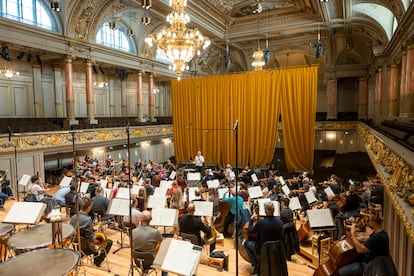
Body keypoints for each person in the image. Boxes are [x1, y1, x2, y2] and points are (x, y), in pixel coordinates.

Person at [70, 197, 113, 267]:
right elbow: (91, 240)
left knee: (96, 236)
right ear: (89, 207)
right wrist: (101, 240)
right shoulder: (87, 220)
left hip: (76, 246)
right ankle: (97, 261)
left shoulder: (73, 217)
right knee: (108, 242)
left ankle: (81, 256)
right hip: (86, 248)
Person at [248, 201, 284, 274]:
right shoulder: (280, 222)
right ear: (274, 210)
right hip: (276, 248)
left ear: (265, 211)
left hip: (263, 249)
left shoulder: (262, 223)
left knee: (247, 244)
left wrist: (251, 220)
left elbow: (250, 230)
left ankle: (257, 266)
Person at [132, 210, 168, 276]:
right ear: (151, 219)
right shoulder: (155, 232)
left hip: (137, 260)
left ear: (140, 219)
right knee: (164, 256)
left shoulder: (133, 231)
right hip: (150, 261)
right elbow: (163, 243)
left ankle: (144, 271)